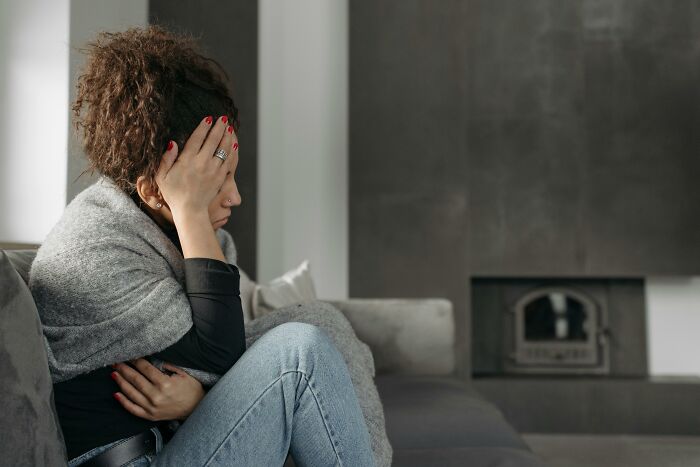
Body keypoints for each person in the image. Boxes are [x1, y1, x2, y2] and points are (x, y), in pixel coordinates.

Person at [30, 24, 376, 467]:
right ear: (154, 190)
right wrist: (192, 210)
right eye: (215, 180)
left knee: (321, 324)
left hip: (176, 445)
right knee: (299, 353)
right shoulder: (90, 248)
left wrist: (197, 401)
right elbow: (220, 357)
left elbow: (222, 359)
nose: (236, 197)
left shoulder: (173, 234)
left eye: (232, 174)